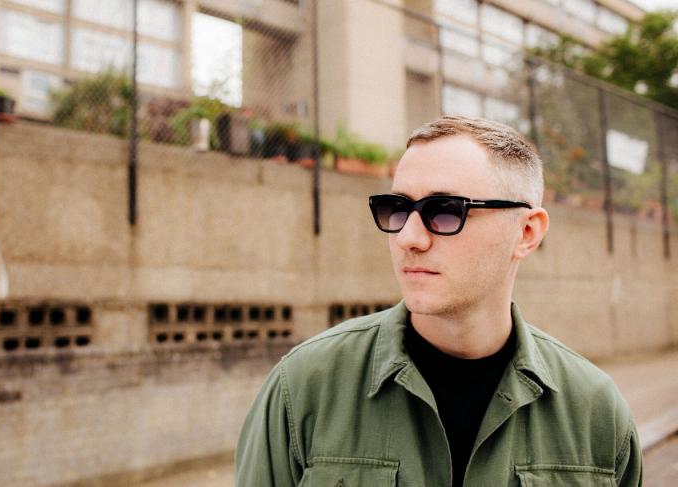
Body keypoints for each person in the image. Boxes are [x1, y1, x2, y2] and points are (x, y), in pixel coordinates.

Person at [234, 116, 642, 486]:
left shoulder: (595, 411)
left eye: (445, 211)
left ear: (526, 233)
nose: (408, 238)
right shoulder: (304, 386)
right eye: (397, 208)